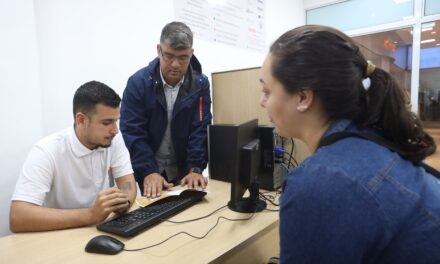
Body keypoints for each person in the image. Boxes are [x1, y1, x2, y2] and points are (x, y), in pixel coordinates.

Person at [259, 25, 440, 263]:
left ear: (303, 97)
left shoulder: (321, 182)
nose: (262, 102)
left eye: (267, 90)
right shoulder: (371, 141)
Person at [10, 81, 137, 232]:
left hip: (100, 230)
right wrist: (91, 215)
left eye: (116, 121)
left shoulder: (112, 139)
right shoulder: (46, 151)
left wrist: (125, 202)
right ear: (81, 120)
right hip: (59, 236)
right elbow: (18, 217)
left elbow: (127, 183)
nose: (115, 130)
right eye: (107, 122)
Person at [120, 21, 212, 198]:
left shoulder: (200, 84)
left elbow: (200, 127)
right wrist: (148, 171)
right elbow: (133, 132)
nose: (175, 64)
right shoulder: (138, 83)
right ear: (158, 50)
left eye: (183, 57)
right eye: (169, 56)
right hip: (146, 169)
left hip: (183, 171)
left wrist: (195, 168)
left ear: (191, 54)